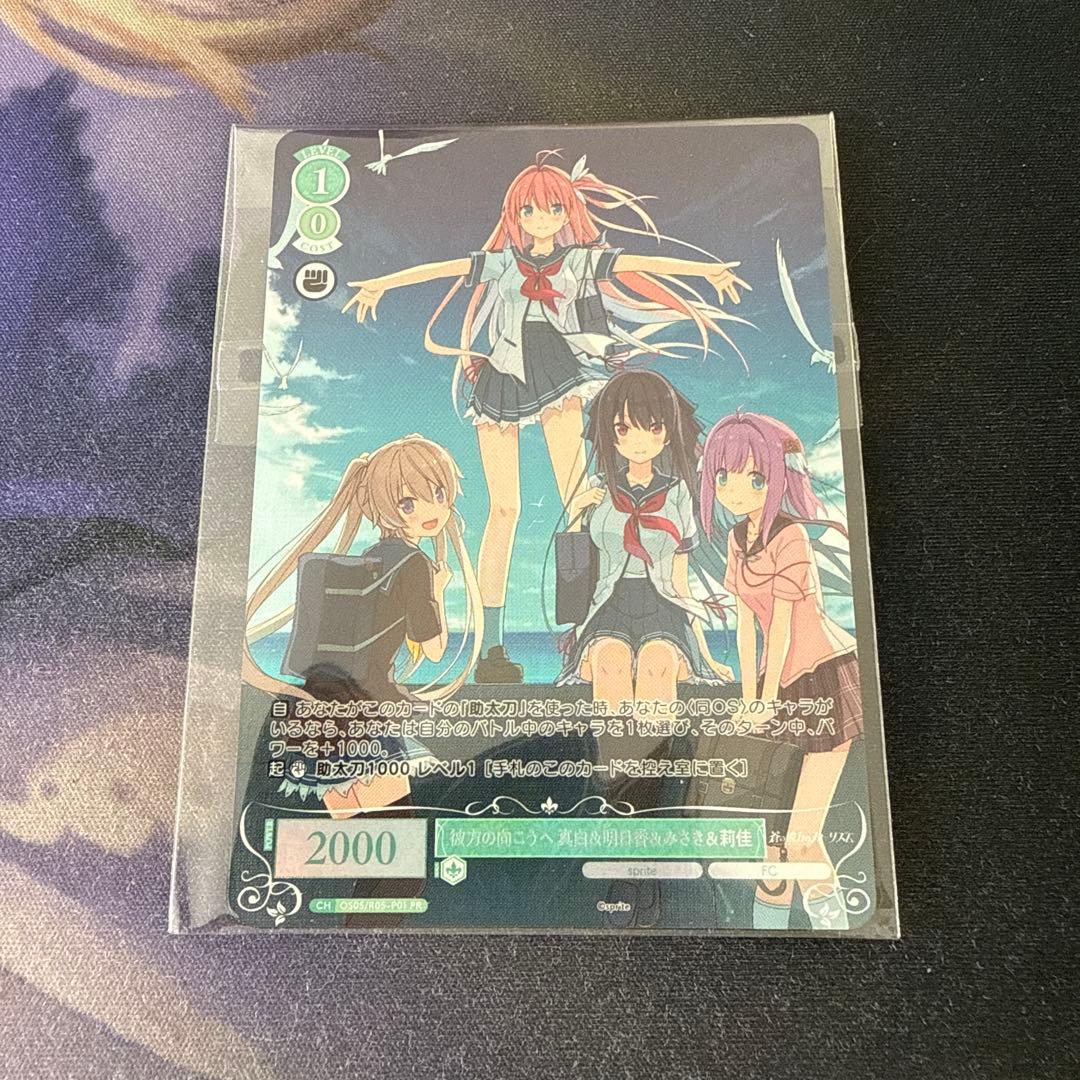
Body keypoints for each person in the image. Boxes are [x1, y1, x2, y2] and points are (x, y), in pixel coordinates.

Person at [343, 150, 748, 682]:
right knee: (504, 510)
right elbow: (446, 269)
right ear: (516, 215)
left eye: (553, 209)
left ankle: (584, 635)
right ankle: (491, 646)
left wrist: (706, 270)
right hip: (504, 380)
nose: (541, 219)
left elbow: (638, 265)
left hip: (559, 375)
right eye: (530, 210)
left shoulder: (579, 260)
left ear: (566, 212)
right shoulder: (503, 263)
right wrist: (383, 284)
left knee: (578, 504)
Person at [700, 411, 863, 931]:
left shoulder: (791, 536)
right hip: (777, 684)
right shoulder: (736, 539)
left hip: (823, 678)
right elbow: (747, 629)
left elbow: (786, 629)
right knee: (772, 840)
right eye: (723, 477)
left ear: (776, 478)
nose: (735, 490)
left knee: (801, 838)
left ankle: (837, 933)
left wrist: (766, 701)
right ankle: (765, 936)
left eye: (754, 477)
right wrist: (750, 698)